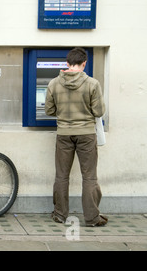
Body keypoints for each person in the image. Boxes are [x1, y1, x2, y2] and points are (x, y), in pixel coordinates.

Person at [45, 47, 107, 227]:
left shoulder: (53, 83)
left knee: (62, 176)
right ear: (84, 63)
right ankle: (92, 218)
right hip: (86, 134)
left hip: (64, 134)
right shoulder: (92, 84)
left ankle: (59, 215)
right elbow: (99, 111)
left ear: (67, 63)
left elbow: (49, 110)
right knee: (89, 177)